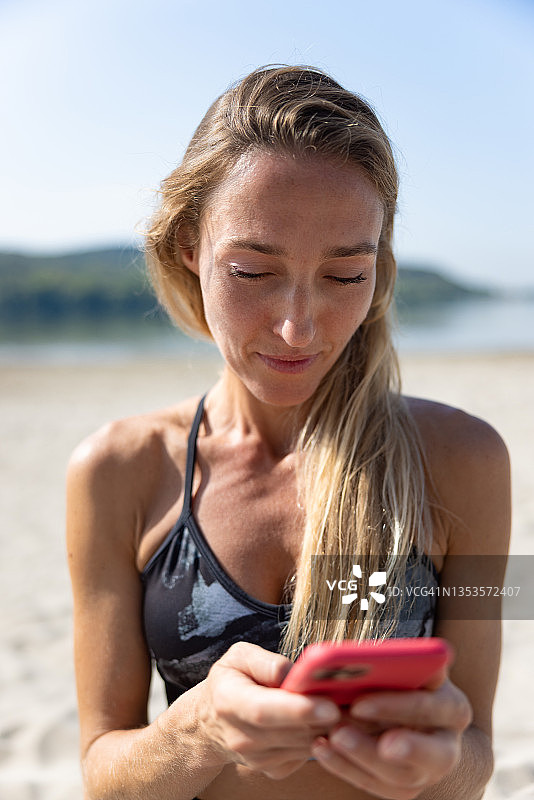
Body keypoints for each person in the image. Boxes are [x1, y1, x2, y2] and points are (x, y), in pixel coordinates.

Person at [66, 65, 511, 800]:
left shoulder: (464, 459)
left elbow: (478, 751)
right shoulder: (118, 470)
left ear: (379, 267)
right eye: (252, 270)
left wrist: (443, 763)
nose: (298, 328)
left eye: (344, 277)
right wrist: (198, 724)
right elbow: (102, 774)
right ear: (187, 245)